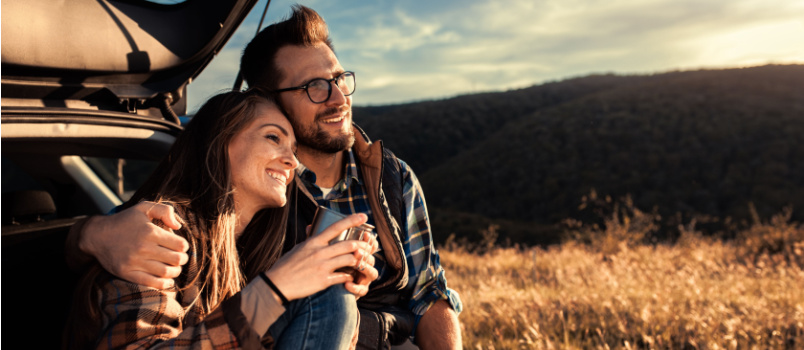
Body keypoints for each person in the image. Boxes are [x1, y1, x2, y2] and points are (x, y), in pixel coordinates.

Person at [66, 5, 462, 349]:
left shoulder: (389, 178)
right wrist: (90, 234)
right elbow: (133, 229)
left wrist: (334, 281)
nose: (339, 98)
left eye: (339, 79)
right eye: (315, 87)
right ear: (264, 102)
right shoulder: (184, 227)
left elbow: (429, 294)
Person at [64, 90, 379, 349]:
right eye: (273, 137)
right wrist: (274, 290)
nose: (292, 161)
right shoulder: (160, 232)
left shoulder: (250, 250)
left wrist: (336, 288)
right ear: (220, 141)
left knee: (328, 290)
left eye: (294, 150)